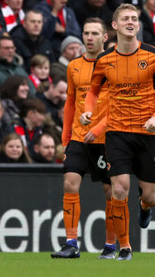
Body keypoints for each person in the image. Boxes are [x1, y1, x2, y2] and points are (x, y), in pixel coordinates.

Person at [81, 3, 155, 260]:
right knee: (119, 189)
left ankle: (145, 207)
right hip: (117, 133)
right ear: (115, 25)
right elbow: (93, 92)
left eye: (134, 18)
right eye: (125, 19)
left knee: (151, 194)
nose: (131, 22)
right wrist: (88, 110)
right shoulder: (104, 59)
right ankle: (125, 248)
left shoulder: (154, 55)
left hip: (147, 133)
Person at [51, 17, 116, 259]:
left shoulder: (114, 65)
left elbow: (120, 105)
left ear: (105, 37)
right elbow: (70, 101)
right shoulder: (73, 65)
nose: (89, 38)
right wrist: (66, 134)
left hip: (108, 138)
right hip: (79, 136)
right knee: (69, 182)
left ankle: (110, 246)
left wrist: (99, 128)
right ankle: (71, 243)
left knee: (110, 193)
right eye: (86, 33)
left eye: (94, 34)